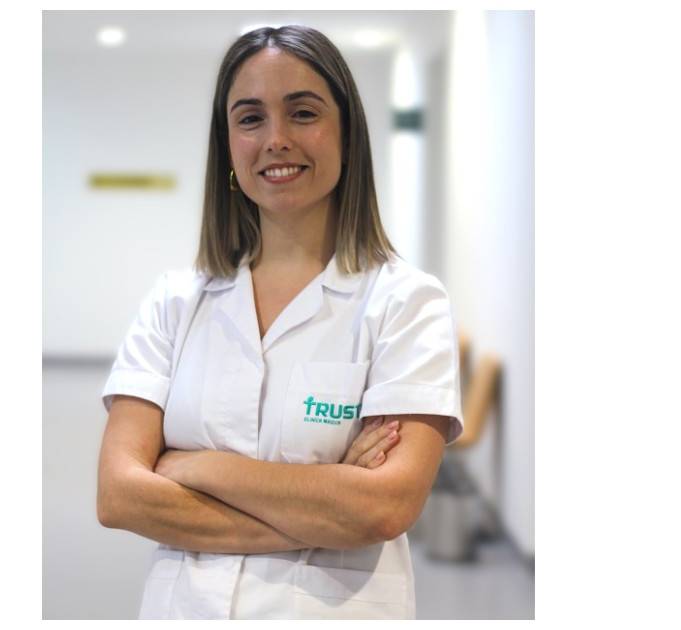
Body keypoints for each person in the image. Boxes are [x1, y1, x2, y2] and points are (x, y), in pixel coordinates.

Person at [96, 24, 464, 620]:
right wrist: (326, 504)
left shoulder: (407, 303)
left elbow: (383, 508)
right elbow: (119, 496)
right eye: (250, 119)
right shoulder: (174, 302)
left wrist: (194, 466)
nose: (276, 140)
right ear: (228, 148)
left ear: (348, 134)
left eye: (303, 113)